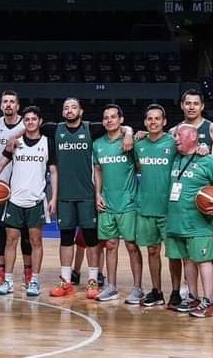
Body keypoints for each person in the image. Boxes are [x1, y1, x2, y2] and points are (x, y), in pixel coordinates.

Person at [39, 97, 133, 299]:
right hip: (64, 197)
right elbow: (27, 125)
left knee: (91, 241)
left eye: (74, 107)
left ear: (81, 111)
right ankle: (65, 281)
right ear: (63, 112)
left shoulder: (91, 129)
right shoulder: (54, 129)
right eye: (66, 107)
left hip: (87, 196)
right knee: (66, 240)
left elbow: (119, 126)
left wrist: (130, 133)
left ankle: (92, 281)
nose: (70, 110)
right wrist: (13, 140)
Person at [0, 106, 57, 296]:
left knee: (35, 241)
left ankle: (34, 281)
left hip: (36, 200)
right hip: (14, 199)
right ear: (24, 123)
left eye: (33, 119)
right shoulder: (15, 144)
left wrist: (54, 197)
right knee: (11, 241)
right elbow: (0, 164)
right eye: (27, 120)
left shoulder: (48, 143)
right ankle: (7, 281)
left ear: (39, 122)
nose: (30, 122)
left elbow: (54, 172)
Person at [166, 124, 213, 317]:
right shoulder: (176, 157)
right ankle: (194, 298)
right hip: (177, 222)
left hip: (198, 223)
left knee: (203, 260)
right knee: (188, 260)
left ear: (193, 137)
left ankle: (208, 302)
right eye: (176, 135)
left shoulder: (207, 160)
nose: (176, 139)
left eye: (180, 135)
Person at [92, 104, 143, 303]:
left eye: (113, 117)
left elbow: (141, 164)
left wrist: (129, 132)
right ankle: (111, 287)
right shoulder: (98, 144)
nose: (109, 120)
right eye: (106, 117)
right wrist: (98, 194)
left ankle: (137, 288)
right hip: (107, 201)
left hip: (128, 202)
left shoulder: (130, 142)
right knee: (110, 245)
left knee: (131, 246)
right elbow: (98, 171)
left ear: (121, 119)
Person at [133, 104, 175, 307]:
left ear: (164, 122)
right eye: (149, 119)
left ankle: (176, 292)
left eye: (157, 118)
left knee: (174, 253)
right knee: (152, 251)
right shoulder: (139, 145)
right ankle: (157, 291)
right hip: (146, 207)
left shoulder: (174, 143)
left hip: (169, 209)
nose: (153, 122)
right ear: (144, 122)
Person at [0, 90, 33, 287]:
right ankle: (0, 271)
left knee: (24, 231)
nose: (8, 104)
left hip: (22, 185)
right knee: (1, 230)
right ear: (1, 106)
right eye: (5, 101)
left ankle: (28, 271)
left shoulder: (28, 124)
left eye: (12, 102)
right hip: (0, 185)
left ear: (18, 106)